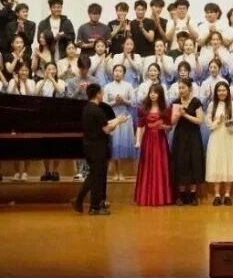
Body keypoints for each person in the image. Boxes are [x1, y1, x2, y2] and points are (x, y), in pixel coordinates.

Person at [73, 84, 128, 216]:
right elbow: (106, 129)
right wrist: (119, 122)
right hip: (97, 147)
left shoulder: (87, 108)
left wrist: (116, 119)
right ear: (98, 94)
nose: (103, 94)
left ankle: (91, 205)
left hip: (89, 146)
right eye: (101, 93)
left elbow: (102, 124)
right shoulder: (97, 111)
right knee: (96, 176)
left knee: (95, 175)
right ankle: (85, 202)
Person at [133, 84, 173, 206]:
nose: (153, 94)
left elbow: (169, 126)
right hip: (148, 140)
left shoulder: (166, 109)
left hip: (160, 141)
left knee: (161, 166)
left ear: (160, 94)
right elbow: (140, 126)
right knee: (147, 167)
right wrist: (138, 141)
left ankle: (162, 197)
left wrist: (162, 126)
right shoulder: (143, 109)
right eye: (151, 92)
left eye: (155, 92)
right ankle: (146, 197)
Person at [205, 82, 233, 206]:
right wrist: (218, 122)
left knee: (229, 163)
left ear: (228, 92)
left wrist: (227, 122)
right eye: (219, 90)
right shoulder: (211, 105)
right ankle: (217, 195)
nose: (221, 93)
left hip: (229, 137)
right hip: (215, 137)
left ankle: (227, 194)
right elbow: (209, 124)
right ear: (216, 92)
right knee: (216, 163)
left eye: (224, 90)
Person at [170, 79, 204, 206]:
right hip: (180, 136)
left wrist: (185, 115)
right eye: (179, 88)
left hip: (193, 135)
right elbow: (172, 122)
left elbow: (200, 120)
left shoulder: (196, 102)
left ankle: (193, 195)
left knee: (193, 162)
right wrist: (179, 115)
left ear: (190, 88)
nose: (181, 90)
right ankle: (182, 194)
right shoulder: (175, 102)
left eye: (183, 87)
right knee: (181, 163)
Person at [102, 64, 137, 181]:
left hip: (125, 118)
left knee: (122, 145)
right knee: (114, 144)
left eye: (120, 71)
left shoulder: (128, 85)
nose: (117, 73)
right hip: (112, 117)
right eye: (116, 71)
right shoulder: (107, 86)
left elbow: (134, 103)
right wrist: (115, 102)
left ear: (124, 73)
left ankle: (121, 171)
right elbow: (104, 104)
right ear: (112, 73)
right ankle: (114, 172)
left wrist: (124, 101)